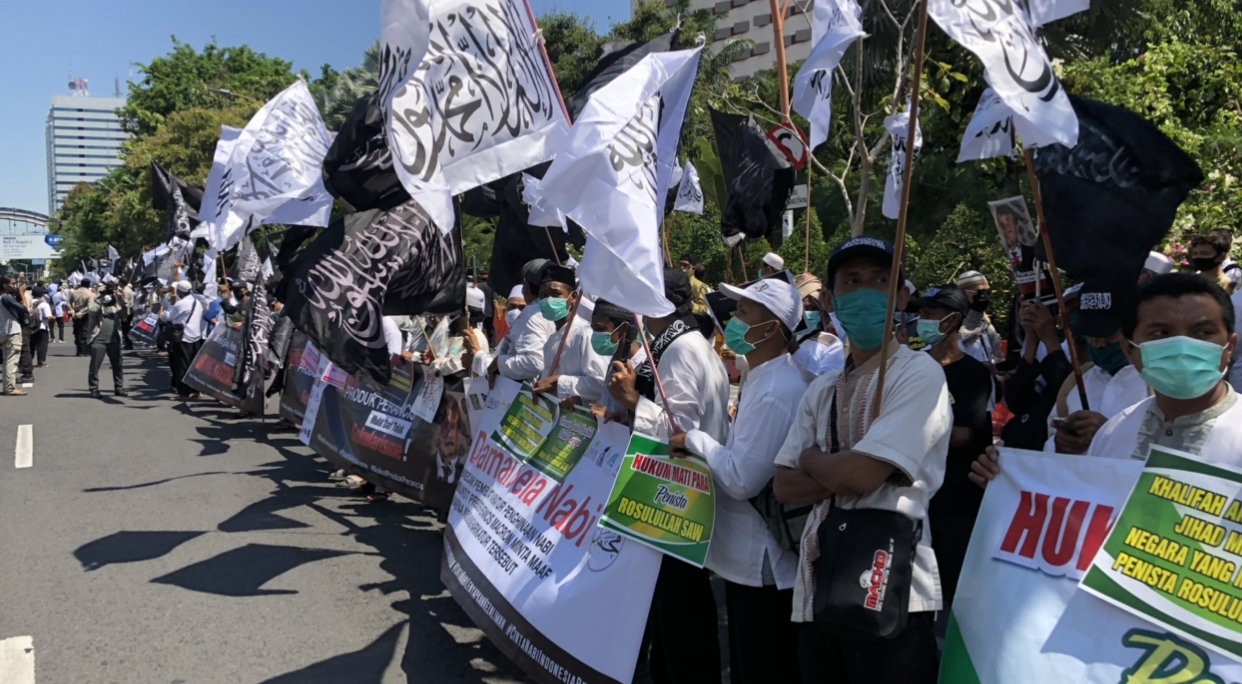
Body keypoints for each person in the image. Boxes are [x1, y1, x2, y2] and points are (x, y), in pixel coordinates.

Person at [773, 237, 950, 684]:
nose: (868, 291)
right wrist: (846, 470)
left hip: (892, 589)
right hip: (818, 585)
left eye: (880, 280)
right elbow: (784, 486)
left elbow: (862, 473)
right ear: (831, 300)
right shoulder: (821, 389)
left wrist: (814, 457)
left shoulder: (919, 373)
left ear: (902, 297)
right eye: (853, 281)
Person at [974, 273, 1242, 485]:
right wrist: (1010, 485)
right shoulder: (1114, 433)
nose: (1182, 345)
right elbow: (1076, 502)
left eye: (1203, 332)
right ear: (1131, 349)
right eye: (1161, 333)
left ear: (1229, 347)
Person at [668, 277, 806, 684]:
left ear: (773, 327)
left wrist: (695, 439)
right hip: (745, 556)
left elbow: (742, 478)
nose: (734, 319)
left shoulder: (778, 389)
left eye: (745, 311)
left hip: (760, 559)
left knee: (762, 666)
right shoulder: (759, 377)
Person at [607, 267, 730, 684]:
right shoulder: (685, 342)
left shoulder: (678, 350)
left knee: (681, 613)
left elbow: (681, 433)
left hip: (679, 499)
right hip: (681, 495)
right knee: (672, 612)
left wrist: (631, 401)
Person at [909, 284, 992, 619]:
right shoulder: (912, 367)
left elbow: (960, 436)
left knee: (956, 598)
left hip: (957, 502)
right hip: (917, 500)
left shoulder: (973, 374)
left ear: (952, 320)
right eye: (920, 313)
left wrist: (909, 426)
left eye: (929, 314)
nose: (921, 320)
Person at [530, 266, 609, 405]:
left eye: (556, 294)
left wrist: (557, 382)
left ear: (573, 297)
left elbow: (601, 383)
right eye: (543, 295)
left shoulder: (585, 334)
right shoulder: (551, 341)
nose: (549, 300)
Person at [484, 259, 556, 383]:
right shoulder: (555, 310)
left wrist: (499, 363)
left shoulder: (532, 313)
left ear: (525, 286)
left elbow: (535, 362)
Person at [789, 273, 845, 383]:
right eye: (805, 307)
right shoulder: (783, 339)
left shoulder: (831, 344)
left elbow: (829, 384)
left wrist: (795, 350)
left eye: (813, 307)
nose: (809, 312)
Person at [163, 279, 206, 401]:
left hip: (184, 338)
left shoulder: (181, 304)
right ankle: (197, 390)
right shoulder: (196, 301)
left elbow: (168, 317)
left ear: (180, 292)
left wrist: (171, 303)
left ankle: (184, 393)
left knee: (181, 366)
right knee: (194, 366)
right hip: (196, 337)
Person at [955, 270, 1003, 368]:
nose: (985, 297)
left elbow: (996, 353)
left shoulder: (985, 323)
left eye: (987, 292)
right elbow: (961, 339)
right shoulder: (953, 321)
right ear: (964, 293)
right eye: (980, 292)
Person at [86, 286, 127, 398]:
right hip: (98, 340)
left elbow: (125, 315)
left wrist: (121, 299)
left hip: (114, 340)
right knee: (95, 365)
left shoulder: (116, 306)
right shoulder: (95, 304)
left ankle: (119, 387)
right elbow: (92, 310)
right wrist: (101, 300)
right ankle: (94, 389)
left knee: (117, 365)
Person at [0, 277, 28, 396]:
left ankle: (8, 386)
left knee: (7, 361)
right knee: (12, 361)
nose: (15, 286)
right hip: (12, 332)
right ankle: (10, 388)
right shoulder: (6, 298)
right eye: (13, 284)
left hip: (3, 332)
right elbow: (25, 308)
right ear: (5, 285)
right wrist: (22, 294)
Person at [1191, 230, 1235, 294]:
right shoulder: (1189, 282)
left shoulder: (1228, 287)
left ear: (1222, 257)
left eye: (1205, 253)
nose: (1198, 257)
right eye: (1195, 253)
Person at [70, 277, 97, 356]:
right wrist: (79, 314)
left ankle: (79, 351)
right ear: (88, 285)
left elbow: (68, 302)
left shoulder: (75, 292)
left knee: (77, 332)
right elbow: (90, 306)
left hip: (76, 313)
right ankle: (85, 351)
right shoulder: (90, 294)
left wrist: (72, 311)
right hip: (85, 314)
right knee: (85, 332)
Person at [30, 286, 52, 368]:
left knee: (30, 345)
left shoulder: (28, 302)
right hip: (42, 327)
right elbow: (48, 317)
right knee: (42, 345)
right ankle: (41, 361)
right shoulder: (44, 304)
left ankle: (28, 361)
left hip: (30, 327)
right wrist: (54, 318)